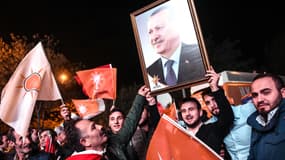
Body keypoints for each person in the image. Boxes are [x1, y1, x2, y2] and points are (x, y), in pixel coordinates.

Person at [178, 67, 234, 158]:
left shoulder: (212, 130)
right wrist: (151, 104)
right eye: (184, 111)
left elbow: (227, 117)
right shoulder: (180, 136)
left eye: (191, 109)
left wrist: (214, 87)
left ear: (200, 112)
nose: (187, 113)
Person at [146, 6, 204, 88]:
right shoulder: (149, 72)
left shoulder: (200, 55)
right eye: (150, 32)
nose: (154, 37)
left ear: (177, 26)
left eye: (158, 28)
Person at [202, 88, 256, 160]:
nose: (212, 105)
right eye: (208, 103)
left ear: (223, 99)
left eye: (214, 99)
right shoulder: (210, 125)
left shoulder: (247, 109)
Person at [247, 73, 285, 160]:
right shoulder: (256, 122)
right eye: (255, 95)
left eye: (266, 92)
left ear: (283, 93)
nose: (259, 99)